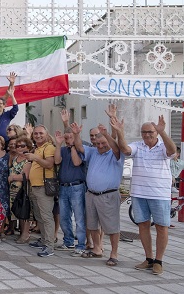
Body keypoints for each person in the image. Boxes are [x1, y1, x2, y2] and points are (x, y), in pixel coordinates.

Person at [112, 115, 177, 275]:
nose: (147, 135)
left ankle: (159, 261)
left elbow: (172, 150)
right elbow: (125, 150)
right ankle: (149, 259)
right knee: (143, 225)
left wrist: (163, 133)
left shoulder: (163, 146)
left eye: (150, 132)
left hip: (160, 194)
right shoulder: (138, 146)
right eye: (144, 132)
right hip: (139, 193)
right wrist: (120, 132)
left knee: (162, 227)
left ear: (156, 132)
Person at [73, 121, 124, 267]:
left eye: (103, 143)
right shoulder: (93, 151)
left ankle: (114, 253)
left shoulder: (116, 154)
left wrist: (108, 134)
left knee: (112, 227)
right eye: (98, 143)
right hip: (91, 194)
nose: (100, 146)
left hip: (108, 195)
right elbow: (79, 147)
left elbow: (115, 146)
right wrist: (76, 134)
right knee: (92, 224)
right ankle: (97, 248)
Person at [54, 111, 87, 256]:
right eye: (66, 138)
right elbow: (56, 161)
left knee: (79, 217)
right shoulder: (62, 149)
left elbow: (76, 162)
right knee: (65, 217)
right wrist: (58, 144)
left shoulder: (79, 148)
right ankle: (68, 241)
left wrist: (73, 146)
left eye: (70, 138)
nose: (67, 140)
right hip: (63, 187)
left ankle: (80, 244)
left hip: (77, 187)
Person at [25, 124, 57, 257]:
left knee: (46, 217)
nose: (38, 135)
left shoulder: (49, 147)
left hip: (44, 187)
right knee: (39, 217)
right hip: (35, 186)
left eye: (40, 133)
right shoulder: (37, 148)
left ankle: (49, 246)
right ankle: (44, 240)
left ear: (46, 134)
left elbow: (49, 164)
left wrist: (35, 158)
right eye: (36, 133)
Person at [9, 137, 33, 243]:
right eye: (18, 146)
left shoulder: (28, 159)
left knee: (24, 210)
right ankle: (21, 233)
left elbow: (26, 176)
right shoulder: (14, 158)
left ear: (28, 147)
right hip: (13, 189)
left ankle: (25, 234)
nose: (20, 148)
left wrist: (13, 177)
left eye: (23, 146)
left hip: (23, 189)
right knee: (17, 209)